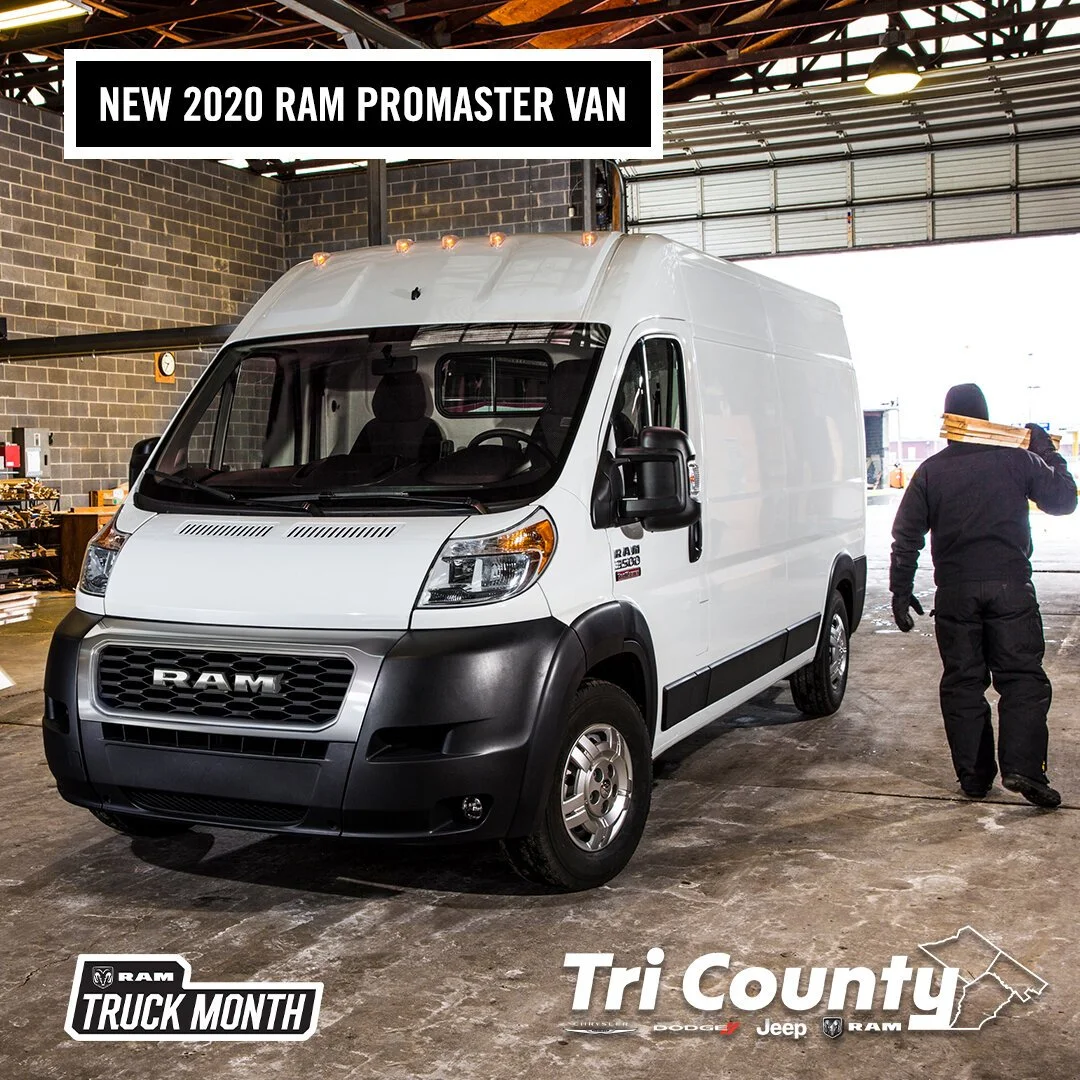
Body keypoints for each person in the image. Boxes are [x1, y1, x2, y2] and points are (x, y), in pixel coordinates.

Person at [889, 383, 1077, 808]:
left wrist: (901, 590)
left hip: (955, 593)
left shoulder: (930, 472)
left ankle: (974, 778)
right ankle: (1024, 768)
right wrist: (1047, 452)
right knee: (1022, 679)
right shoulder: (1018, 460)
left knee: (963, 684)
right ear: (986, 419)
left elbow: (906, 536)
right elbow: (1065, 501)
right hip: (1010, 589)